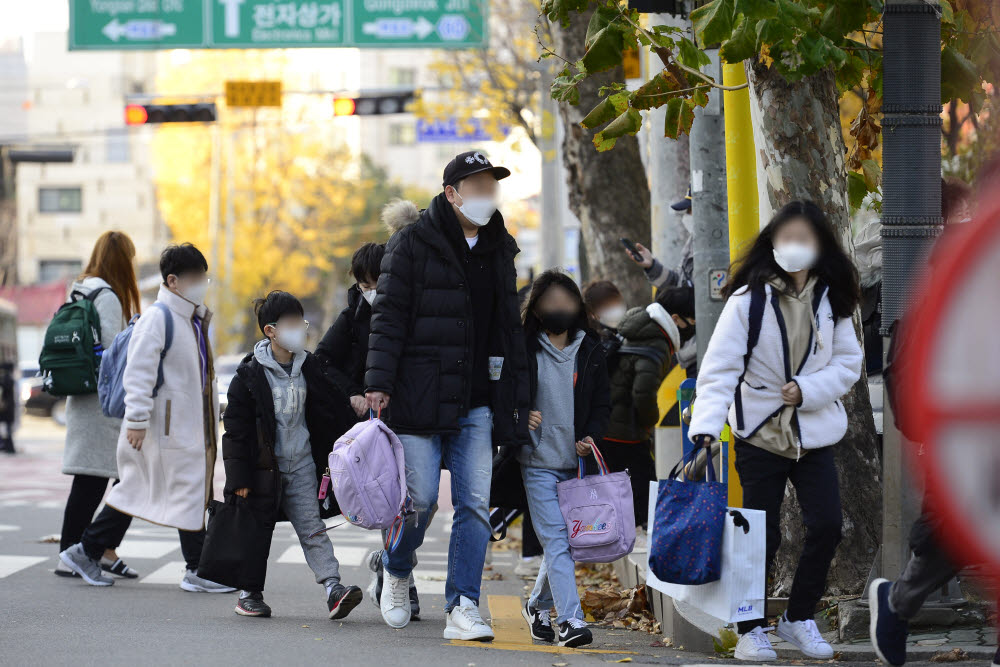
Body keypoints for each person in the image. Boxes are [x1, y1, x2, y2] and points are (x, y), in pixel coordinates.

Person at [364, 150, 530, 640]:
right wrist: (378, 382)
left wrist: (518, 395)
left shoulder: (501, 246)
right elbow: (388, 317)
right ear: (451, 193)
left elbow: (508, 329)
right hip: (418, 393)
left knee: (476, 504)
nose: (486, 195)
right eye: (476, 186)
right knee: (418, 502)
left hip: (477, 398)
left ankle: (462, 606)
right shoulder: (411, 243)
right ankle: (395, 569)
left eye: (491, 186)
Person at [688, 201, 863, 662]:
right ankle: (750, 627)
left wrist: (806, 389)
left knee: (826, 525)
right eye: (786, 237)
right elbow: (720, 369)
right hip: (759, 432)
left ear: (821, 245)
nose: (794, 247)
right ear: (771, 242)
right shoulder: (749, 299)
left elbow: (849, 363)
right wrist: (706, 428)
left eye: (804, 238)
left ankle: (798, 618)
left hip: (814, 433)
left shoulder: (833, 300)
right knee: (758, 537)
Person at [60, 243, 234, 593]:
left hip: (182, 428)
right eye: (195, 277)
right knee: (159, 490)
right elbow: (138, 373)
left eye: (203, 276)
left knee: (159, 491)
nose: (202, 283)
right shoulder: (160, 318)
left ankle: (89, 551)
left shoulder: (191, 318)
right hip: (161, 428)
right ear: (172, 280)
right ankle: (195, 568)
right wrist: (137, 421)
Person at [221, 290, 362, 619]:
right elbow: (237, 431)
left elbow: (330, 408)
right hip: (262, 470)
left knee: (312, 527)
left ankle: (333, 588)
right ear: (270, 331)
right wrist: (239, 478)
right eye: (291, 323)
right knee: (258, 532)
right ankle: (249, 593)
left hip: (302, 467)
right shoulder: (249, 377)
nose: (300, 328)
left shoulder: (309, 366)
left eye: (301, 321)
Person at [518, 270, 610, 648]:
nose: (559, 308)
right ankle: (571, 620)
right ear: (536, 309)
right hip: (536, 461)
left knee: (568, 543)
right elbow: (506, 393)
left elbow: (602, 404)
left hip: (577, 466)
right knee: (557, 540)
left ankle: (537, 605)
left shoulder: (590, 349)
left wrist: (591, 436)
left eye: (566, 301)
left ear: (578, 307)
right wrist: (521, 414)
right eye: (550, 302)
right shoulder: (523, 348)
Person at [55, 232, 142, 579]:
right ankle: (74, 553)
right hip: (103, 405)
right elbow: (112, 354)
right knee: (117, 478)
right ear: (121, 261)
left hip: (85, 398)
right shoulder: (105, 295)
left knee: (103, 478)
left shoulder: (79, 289)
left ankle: (101, 550)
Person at [602, 287, 687, 527]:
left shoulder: (635, 328)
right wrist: (650, 420)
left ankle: (629, 532)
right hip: (627, 431)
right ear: (676, 320)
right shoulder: (657, 342)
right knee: (644, 485)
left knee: (622, 485)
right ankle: (646, 536)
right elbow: (643, 393)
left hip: (608, 423)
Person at [315, 242, 385, 419]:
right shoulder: (350, 318)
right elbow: (322, 360)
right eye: (366, 287)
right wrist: (352, 392)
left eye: (379, 285)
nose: (373, 292)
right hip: (362, 416)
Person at [626, 188, 694, 290]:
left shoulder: (720, 252)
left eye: (690, 210)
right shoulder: (693, 244)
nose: (687, 215)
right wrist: (652, 266)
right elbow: (678, 284)